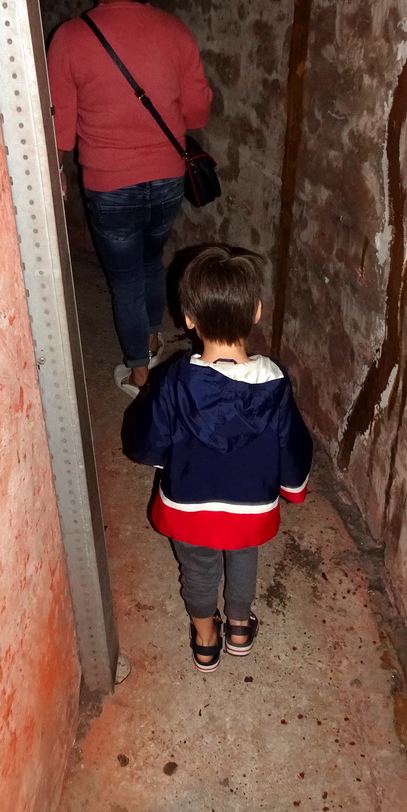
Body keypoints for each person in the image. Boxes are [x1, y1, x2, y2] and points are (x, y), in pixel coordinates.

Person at [47, 0, 213, 397]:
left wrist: (57, 169)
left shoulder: (71, 39)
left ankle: (140, 374)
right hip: (166, 178)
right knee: (150, 259)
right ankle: (155, 339)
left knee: (123, 276)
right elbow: (198, 112)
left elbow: (61, 129)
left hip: (108, 182)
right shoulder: (175, 31)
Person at [125, 244, 313, 672]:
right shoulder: (276, 383)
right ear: (256, 312)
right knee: (243, 556)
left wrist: (160, 458)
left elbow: (150, 436)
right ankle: (240, 628)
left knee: (198, 568)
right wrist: (293, 487)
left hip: (190, 504)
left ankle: (206, 640)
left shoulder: (174, 378)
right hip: (251, 507)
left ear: (188, 319)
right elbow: (293, 444)